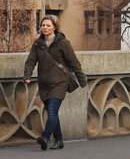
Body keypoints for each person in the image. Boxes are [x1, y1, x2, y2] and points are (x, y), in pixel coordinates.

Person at [23, 14, 85, 151]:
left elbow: (74, 63)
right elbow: (30, 61)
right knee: (53, 113)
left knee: (52, 111)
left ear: (55, 27)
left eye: (48, 25)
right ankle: (59, 140)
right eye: (43, 25)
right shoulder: (38, 44)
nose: (45, 28)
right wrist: (27, 76)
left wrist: (82, 80)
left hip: (59, 83)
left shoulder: (63, 43)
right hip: (44, 84)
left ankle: (45, 138)